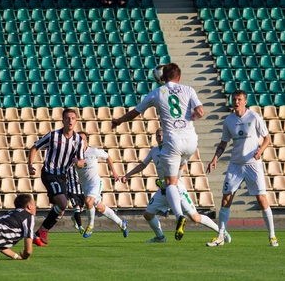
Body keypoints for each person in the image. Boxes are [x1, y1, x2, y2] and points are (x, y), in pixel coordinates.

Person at [112, 63, 205, 241]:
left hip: (174, 141)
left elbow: (134, 113)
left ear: (162, 77)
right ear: (179, 77)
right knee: (179, 169)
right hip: (191, 141)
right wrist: (194, 116)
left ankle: (179, 216)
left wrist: (119, 121)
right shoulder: (188, 89)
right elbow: (201, 111)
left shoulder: (157, 93)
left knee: (171, 182)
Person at [122, 128, 230, 243]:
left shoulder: (173, 150)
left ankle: (221, 232)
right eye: (158, 136)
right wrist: (128, 175)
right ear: (155, 138)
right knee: (148, 214)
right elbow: (142, 165)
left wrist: (170, 180)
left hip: (177, 188)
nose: (161, 138)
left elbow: (182, 167)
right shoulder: (154, 151)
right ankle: (160, 237)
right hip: (163, 190)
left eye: (163, 136)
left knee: (195, 218)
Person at [206, 90, 278, 247]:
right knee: (226, 198)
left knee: (261, 199)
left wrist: (260, 151)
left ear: (245, 101)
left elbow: (267, 138)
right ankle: (220, 236)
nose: (236, 102)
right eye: (234, 99)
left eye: (239, 99)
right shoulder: (229, 120)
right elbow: (223, 143)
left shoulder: (254, 117)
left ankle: (272, 236)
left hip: (252, 164)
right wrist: (214, 159)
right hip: (235, 165)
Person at [28, 108, 85, 246]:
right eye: (67, 118)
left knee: (61, 209)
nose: (70, 120)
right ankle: (43, 231)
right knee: (63, 203)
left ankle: (38, 233)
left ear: (76, 121)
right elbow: (34, 147)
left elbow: (82, 162)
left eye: (72, 118)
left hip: (62, 176)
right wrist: (30, 164)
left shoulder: (78, 140)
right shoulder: (53, 136)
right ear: (63, 120)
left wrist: (78, 163)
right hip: (49, 173)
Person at [75, 132, 128, 238]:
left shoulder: (93, 151)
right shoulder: (74, 154)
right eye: (78, 139)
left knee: (88, 202)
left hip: (95, 182)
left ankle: (90, 226)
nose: (80, 141)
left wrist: (114, 172)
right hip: (85, 185)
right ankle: (121, 223)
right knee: (99, 208)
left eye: (82, 139)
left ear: (86, 141)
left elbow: (107, 156)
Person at [66, 166, 85, 234]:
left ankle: (74, 217)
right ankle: (80, 227)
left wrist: (83, 179)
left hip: (82, 191)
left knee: (82, 209)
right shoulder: (68, 166)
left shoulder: (82, 165)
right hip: (72, 191)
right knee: (77, 208)